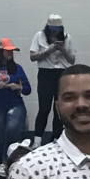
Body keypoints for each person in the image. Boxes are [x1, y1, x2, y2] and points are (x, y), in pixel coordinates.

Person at [29, 14, 76, 142]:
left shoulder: (67, 37)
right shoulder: (40, 36)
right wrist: (49, 50)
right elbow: (32, 57)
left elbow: (72, 60)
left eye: (58, 29)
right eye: (53, 28)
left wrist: (63, 50)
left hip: (62, 73)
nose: (55, 31)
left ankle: (56, 139)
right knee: (44, 108)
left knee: (59, 108)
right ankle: (37, 140)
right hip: (46, 73)